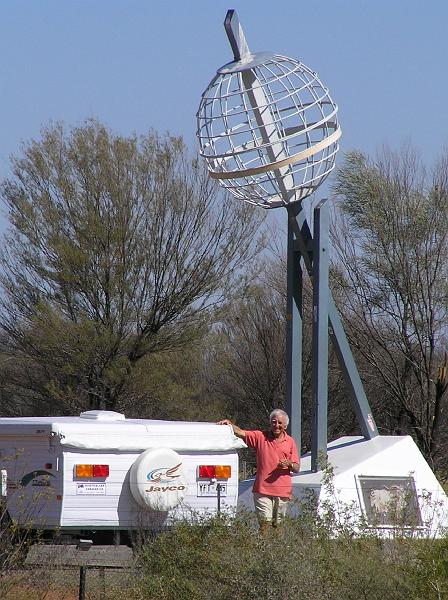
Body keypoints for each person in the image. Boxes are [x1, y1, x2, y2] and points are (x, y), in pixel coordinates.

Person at [218, 409, 299, 531]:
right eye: (274, 422)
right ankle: (263, 548)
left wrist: (289, 464)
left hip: (282, 490)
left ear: (285, 425)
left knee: (278, 526)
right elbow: (241, 433)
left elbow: (297, 468)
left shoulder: (290, 442)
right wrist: (229, 424)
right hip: (263, 489)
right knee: (264, 524)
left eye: (280, 423)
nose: (276, 425)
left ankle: (277, 549)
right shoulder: (260, 437)